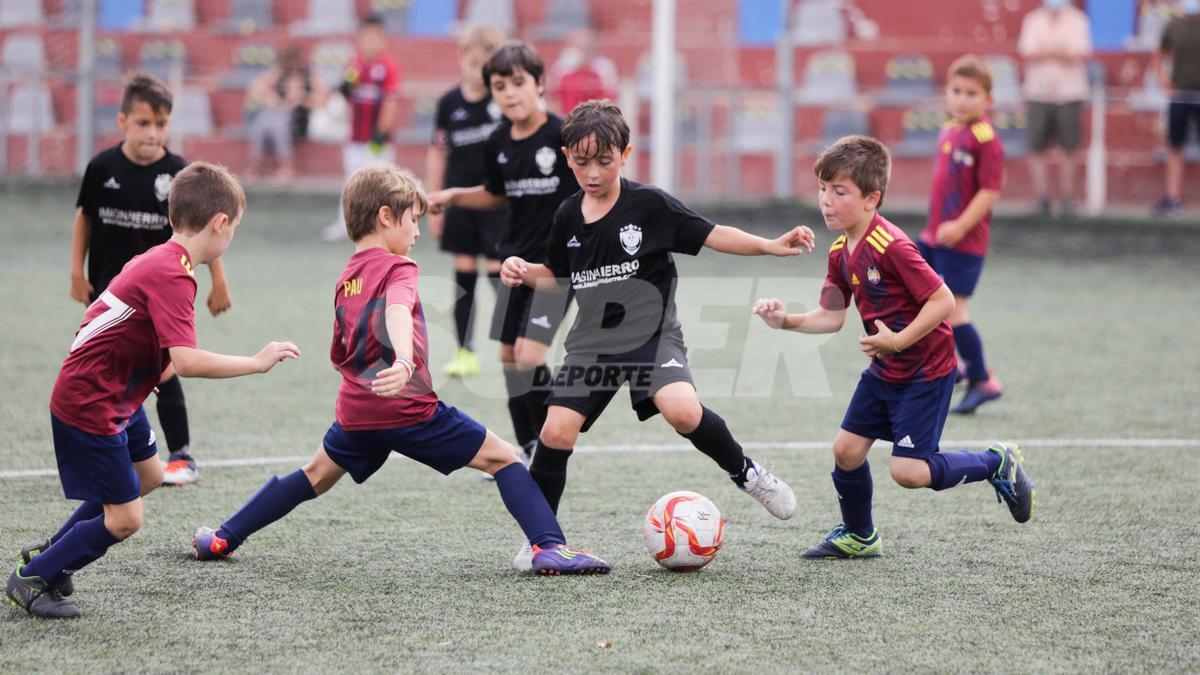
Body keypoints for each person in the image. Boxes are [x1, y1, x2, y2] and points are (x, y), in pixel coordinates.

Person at [191, 165, 611, 577]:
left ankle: (224, 537)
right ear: (385, 217)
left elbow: (339, 349)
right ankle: (549, 546)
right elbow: (397, 310)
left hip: (356, 411)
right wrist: (405, 360)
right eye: (413, 221)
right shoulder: (399, 268)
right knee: (504, 459)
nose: (417, 232)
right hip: (408, 408)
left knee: (314, 476)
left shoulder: (346, 277)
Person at [500, 100, 810, 571]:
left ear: (625, 154)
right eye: (582, 162)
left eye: (604, 161)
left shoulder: (649, 205)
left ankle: (748, 473)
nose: (593, 172)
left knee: (682, 411)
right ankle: (542, 540)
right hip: (591, 345)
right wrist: (525, 272)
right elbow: (559, 275)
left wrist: (769, 246)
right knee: (554, 433)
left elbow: (711, 234)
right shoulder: (566, 215)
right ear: (567, 158)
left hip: (652, 336)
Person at [7, 163, 300, 619]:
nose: (232, 237)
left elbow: (138, 339)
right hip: (92, 402)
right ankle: (34, 577)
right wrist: (256, 363)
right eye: (235, 227)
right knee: (125, 519)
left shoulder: (164, 259)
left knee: (149, 478)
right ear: (220, 223)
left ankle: (52, 553)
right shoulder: (173, 274)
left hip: (116, 395)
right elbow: (186, 360)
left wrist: (148, 373)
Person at [752, 135, 1034, 560]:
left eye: (840, 192)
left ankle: (996, 462)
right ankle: (860, 535)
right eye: (823, 189)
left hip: (925, 372)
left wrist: (897, 340)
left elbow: (941, 300)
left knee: (909, 472)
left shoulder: (894, 246)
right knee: (846, 451)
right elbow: (831, 315)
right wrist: (785, 321)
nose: (826, 201)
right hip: (887, 370)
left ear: (872, 198)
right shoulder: (840, 250)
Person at [70, 73, 231, 486]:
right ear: (123, 122)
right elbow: (84, 218)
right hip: (111, 290)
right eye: (143, 123)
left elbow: (203, 235)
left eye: (161, 124)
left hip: (161, 290)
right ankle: (108, 446)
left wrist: (218, 281)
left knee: (164, 370)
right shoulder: (101, 167)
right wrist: (76, 270)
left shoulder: (178, 172)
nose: (153, 133)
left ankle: (180, 453)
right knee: (105, 366)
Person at [428, 42, 578, 464]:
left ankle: (562, 429)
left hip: (554, 269)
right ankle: (530, 448)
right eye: (499, 86)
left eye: (518, 83)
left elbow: (593, 187)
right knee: (510, 360)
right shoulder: (498, 140)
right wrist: (455, 195)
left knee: (530, 357)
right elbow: (495, 195)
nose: (510, 93)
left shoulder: (562, 136)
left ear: (540, 84)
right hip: (514, 265)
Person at [918, 55, 1005, 415]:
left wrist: (960, 226)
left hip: (962, 241)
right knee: (919, 298)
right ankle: (952, 366)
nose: (962, 99)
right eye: (956, 90)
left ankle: (982, 379)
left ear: (988, 100)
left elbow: (988, 192)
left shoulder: (985, 139)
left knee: (955, 310)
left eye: (972, 93)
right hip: (935, 236)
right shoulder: (949, 129)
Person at [426, 26, 508, 379]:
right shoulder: (448, 104)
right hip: (458, 201)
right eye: (474, 63)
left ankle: (514, 340)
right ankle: (464, 352)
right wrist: (433, 200)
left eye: (487, 64)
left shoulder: (504, 102)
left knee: (497, 271)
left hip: (495, 202)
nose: (480, 71)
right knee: (463, 275)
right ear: (461, 59)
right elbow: (438, 153)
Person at [322, 13, 402, 242]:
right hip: (356, 137)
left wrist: (381, 131)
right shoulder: (354, 64)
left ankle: (387, 229)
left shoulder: (389, 66)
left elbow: (391, 100)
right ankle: (345, 224)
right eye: (367, 37)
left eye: (376, 37)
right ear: (360, 38)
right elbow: (346, 95)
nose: (371, 42)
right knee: (351, 182)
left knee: (381, 185)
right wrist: (344, 90)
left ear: (383, 39)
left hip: (378, 140)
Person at [1017, 0, 1092, 217]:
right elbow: (1028, 51)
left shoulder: (1078, 20)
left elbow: (1078, 54)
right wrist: (1060, 50)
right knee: (1036, 145)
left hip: (1069, 92)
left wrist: (1047, 50)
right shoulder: (1033, 20)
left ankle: (1067, 198)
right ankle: (1042, 197)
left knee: (1069, 146)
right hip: (1037, 91)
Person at [245, 46, 326, 182]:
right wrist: (271, 97)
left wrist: (302, 99)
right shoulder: (280, 73)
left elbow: (323, 99)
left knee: (278, 123)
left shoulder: (309, 75)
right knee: (262, 122)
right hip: (277, 115)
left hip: (299, 118)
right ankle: (256, 162)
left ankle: (286, 166)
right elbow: (255, 86)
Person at [1152, 0, 1200, 217]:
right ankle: (1173, 198)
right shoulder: (1174, 26)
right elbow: (1159, 54)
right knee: (1175, 146)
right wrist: (1163, 81)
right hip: (1180, 95)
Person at [546, 28, 618, 116]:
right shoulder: (562, 68)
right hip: (568, 118)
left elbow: (612, 100)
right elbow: (554, 100)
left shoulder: (604, 68)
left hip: (597, 120)